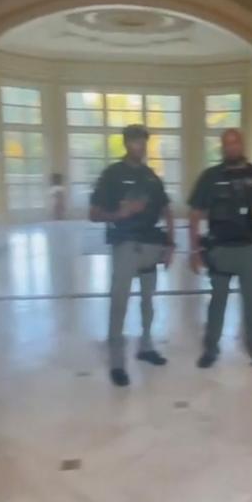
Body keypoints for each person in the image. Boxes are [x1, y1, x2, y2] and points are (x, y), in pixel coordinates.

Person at [90, 124, 175, 386]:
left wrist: (170, 244)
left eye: (143, 142)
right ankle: (117, 362)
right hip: (125, 245)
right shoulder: (112, 175)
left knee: (148, 301)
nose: (140, 146)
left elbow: (167, 209)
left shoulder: (151, 177)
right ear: (126, 143)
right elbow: (93, 213)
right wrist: (119, 214)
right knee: (120, 302)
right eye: (135, 141)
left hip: (151, 246)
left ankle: (146, 347)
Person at [188, 128, 252, 368]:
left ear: (242, 145)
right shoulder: (210, 176)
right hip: (219, 250)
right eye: (226, 144)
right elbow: (195, 214)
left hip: (251, 249)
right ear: (222, 147)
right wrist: (195, 250)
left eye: (235, 143)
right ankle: (210, 349)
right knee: (217, 301)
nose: (231, 147)